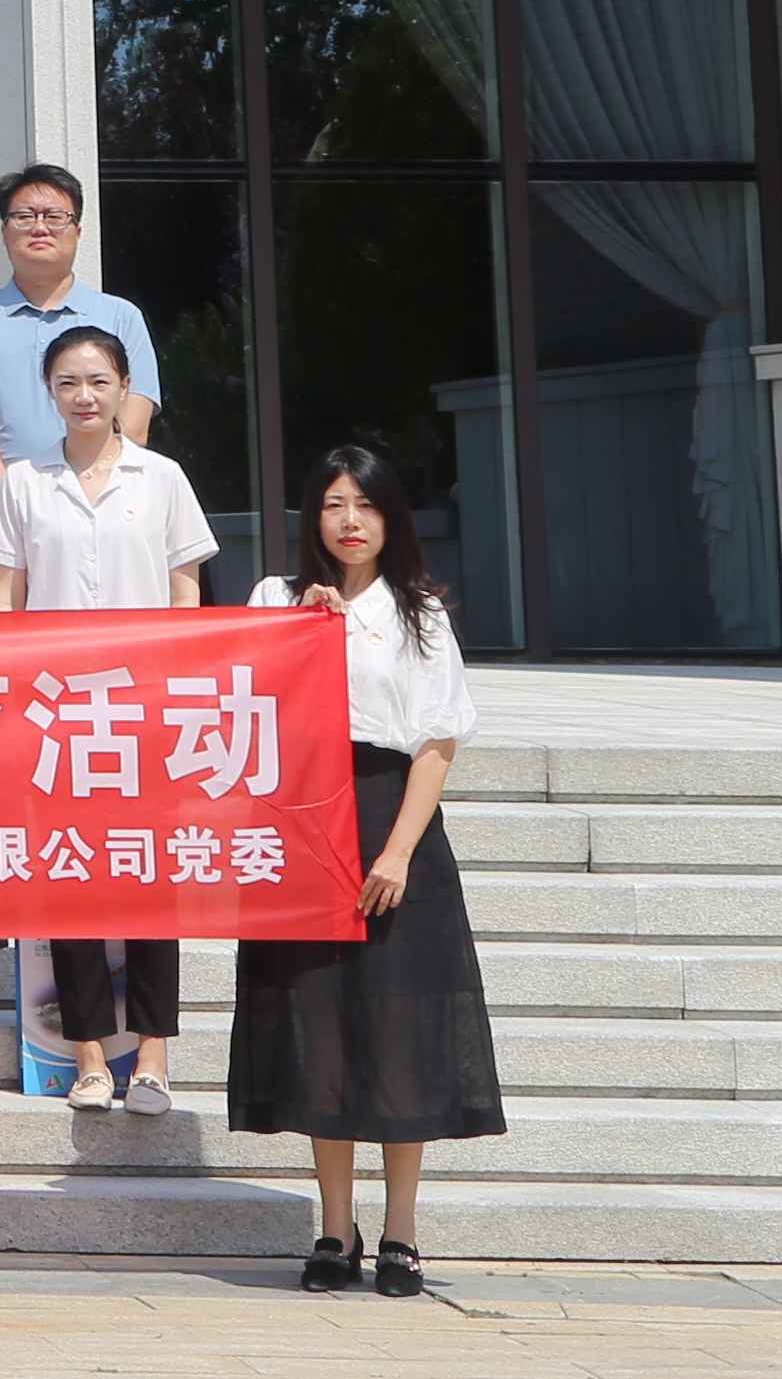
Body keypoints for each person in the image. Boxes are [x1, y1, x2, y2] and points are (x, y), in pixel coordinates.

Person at [229, 443, 501, 1301]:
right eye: (333, 505)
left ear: (390, 518)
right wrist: (295, 633)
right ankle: (334, 1228)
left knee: (398, 1026)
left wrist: (396, 850)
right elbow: (240, 698)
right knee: (319, 1025)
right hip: (303, 818)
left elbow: (436, 740)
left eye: (366, 506)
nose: (349, 522)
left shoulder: (419, 613)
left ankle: (400, 1232)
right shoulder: (275, 599)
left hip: (390, 815)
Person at [0, 322, 217, 1114]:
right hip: (53, 716)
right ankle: (86, 1056)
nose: (83, 396)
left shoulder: (162, 477)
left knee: (150, 882)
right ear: (48, 393)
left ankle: (150, 1056)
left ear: (123, 388)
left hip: (143, 710)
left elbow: (185, 593)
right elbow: (6, 599)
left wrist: (177, 692)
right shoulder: (23, 483)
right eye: (67, 383)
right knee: (70, 882)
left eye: (97, 381)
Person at [0, 161, 159, 502]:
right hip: (0, 512)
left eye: (55, 216)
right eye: (25, 216)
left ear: (78, 231)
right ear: (4, 231)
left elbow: (134, 427)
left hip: (103, 507)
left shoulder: (121, 317)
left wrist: (82, 500)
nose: (40, 227)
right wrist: (19, 505)